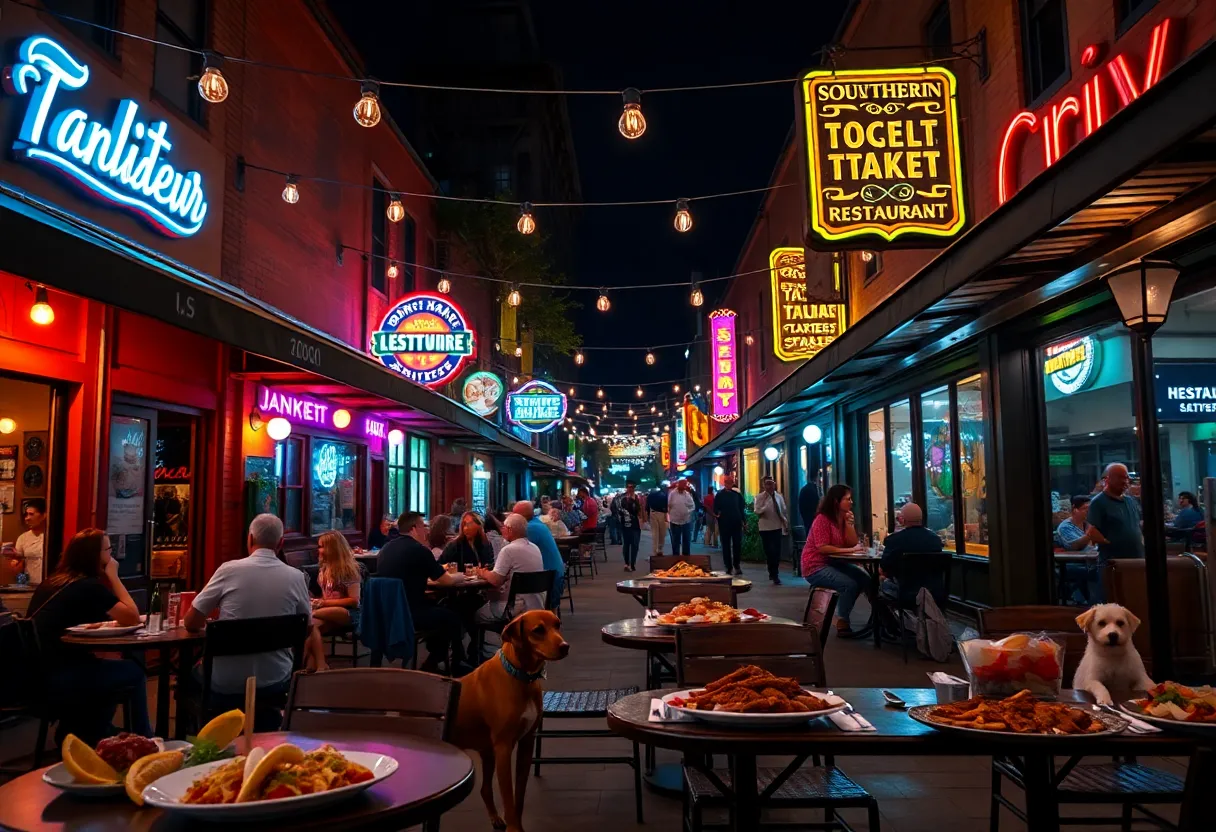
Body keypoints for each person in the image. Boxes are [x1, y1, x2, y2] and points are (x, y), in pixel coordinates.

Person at [29, 528, 150, 744]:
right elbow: (132, 616)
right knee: (132, 671)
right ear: (95, 556)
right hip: (60, 676)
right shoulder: (86, 586)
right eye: (108, 550)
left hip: (36, 674)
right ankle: (144, 737)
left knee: (106, 670)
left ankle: (90, 732)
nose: (111, 555)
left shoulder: (53, 582)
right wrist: (113, 576)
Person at [185, 514, 325, 691]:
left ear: (250, 539)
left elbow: (191, 622)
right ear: (281, 543)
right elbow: (306, 629)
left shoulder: (228, 570)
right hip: (276, 677)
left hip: (223, 681)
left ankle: (207, 717)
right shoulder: (296, 577)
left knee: (186, 676)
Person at [376, 512, 468, 673]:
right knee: (452, 616)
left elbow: (406, 575)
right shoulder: (419, 550)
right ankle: (448, 662)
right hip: (411, 613)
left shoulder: (386, 549)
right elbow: (446, 580)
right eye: (423, 526)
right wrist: (462, 576)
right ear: (414, 529)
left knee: (441, 610)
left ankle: (439, 658)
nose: (426, 531)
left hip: (387, 612)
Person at [801, 484, 871, 637]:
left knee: (865, 579)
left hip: (835, 563)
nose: (851, 502)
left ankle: (879, 618)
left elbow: (852, 542)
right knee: (849, 584)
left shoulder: (843, 518)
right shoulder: (822, 519)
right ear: (836, 501)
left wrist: (849, 524)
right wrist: (850, 551)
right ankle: (842, 621)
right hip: (815, 565)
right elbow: (822, 548)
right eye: (847, 499)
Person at [474, 513, 547, 623]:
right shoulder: (535, 548)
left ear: (509, 530)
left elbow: (496, 580)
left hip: (516, 608)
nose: (502, 530)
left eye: (503, 527)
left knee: (477, 613)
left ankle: (504, 637)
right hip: (537, 606)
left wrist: (482, 572)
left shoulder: (508, 550)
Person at [310, 531, 361, 660]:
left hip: (350, 613)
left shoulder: (348, 570)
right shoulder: (324, 569)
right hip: (328, 612)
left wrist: (321, 603)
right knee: (311, 626)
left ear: (331, 549)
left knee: (309, 615)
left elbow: (355, 601)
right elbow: (327, 597)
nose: (319, 550)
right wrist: (318, 601)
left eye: (321, 546)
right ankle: (316, 663)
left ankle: (313, 664)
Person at [879, 503, 944, 598]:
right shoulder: (935, 539)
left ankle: (880, 612)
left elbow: (884, 567)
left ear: (903, 520)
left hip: (905, 593)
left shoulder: (895, 539)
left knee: (879, 582)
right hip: (934, 592)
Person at [1086, 463, 1145, 568]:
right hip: (1113, 564)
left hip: (1137, 560)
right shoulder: (1098, 502)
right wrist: (1112, 544)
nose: (1125, 481)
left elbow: (1137, 525)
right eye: (1120, 477)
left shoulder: (1130, 501)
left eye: (1126, 478)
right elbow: (1091, 531)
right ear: (1107, 479)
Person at [513, 501, 565, 604]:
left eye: (514, 514)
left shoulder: (529, 528)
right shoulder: (536, 523)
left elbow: (515, 552)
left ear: (520, 516)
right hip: (553, 575)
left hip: (546, 580)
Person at [754, 477, 790, 585]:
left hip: (777, 527)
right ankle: (772, 571)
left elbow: (783, 511)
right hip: (765, 528)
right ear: (764, 486)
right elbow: (757, 511)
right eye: (767, 484)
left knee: (776, 551)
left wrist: (785, 523)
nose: (769, 486)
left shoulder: (779, 497)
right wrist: (766, 504)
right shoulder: (760, 497)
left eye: (771, 484)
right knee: (769, 551)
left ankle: (775, 574)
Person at [714, 475, 746, 576]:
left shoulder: (737, 495)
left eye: (730, 482)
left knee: (737, 545)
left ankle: (737, 565)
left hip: (736, 523)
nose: (729, 484)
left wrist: (744, 521)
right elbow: (716, 508)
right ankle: (728, 566)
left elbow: (741, 508)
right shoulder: (719, 495)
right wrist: (718, 515)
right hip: (724, 524)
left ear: (732, 483)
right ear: (724, 483)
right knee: (726, 545)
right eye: (727, 482)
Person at [13, 497, 47, 584]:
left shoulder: (52, 536)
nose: (27, 518)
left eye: (31, 514)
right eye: (26, 515)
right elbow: (18, 566)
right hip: (31, 585)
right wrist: (15, 563)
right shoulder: (23, 538)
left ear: (44, 515)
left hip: (50, 585)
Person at [667, 479, 697, 557]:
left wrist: (687, 512)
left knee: (686, 540)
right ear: (679, 484)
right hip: (675, 521)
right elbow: (669, 505)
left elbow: (692, 506)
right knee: (675, 540)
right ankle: (675, 557)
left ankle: (686, 557)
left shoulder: (687, 494)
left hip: (686, 521)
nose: (684, 486)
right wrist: (671, 515)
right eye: (683, 484)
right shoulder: (672, 494)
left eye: (685, 485)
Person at [618, 482, 643, 571]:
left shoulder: (637, 498)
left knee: (635, 545)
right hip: (626, 525)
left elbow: (638, 510)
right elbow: (619, 510)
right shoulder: (623, 498)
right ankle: (626, 563)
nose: (630, 489)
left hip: (635, 525)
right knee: (627, 544)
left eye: (632, 487)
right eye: (629, 487)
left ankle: (632, 563)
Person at [647, 483, 669, 555]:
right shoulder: (665, 495)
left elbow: (647, 507)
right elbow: (667, 506)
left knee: (655, 533)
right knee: (661, 533)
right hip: (661, 514)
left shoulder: (651, 495)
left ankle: (656, 551)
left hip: (653, 513)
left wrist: (647, 516)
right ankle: (659, 550)